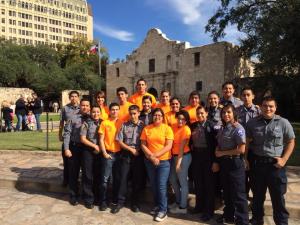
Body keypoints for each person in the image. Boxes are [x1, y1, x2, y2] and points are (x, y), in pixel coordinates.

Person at [246, 96, 295, 225]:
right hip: (258, 165)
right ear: (261, 107)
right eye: (265, 106)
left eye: (271, 106)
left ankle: (281, 222)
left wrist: (284, 159)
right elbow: (246, 142)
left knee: (278, 197)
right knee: (257, 197)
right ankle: (257, 220)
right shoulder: (252, 123)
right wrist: (245, 159)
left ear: (275, 108)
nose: (268, 108)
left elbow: (291, 141)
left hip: (275, 166)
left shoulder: (283, 122)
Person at [215, 104, 249, 225]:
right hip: (224, 163)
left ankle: (242, 220)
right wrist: (217, 150)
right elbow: (219, 143)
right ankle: (228, 216)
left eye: (228, 112)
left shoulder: (238, 128)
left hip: (235, 163)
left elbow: (241, 150)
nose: (226, 115)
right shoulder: (222, 128)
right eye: (224, 113)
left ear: (234, 114)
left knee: (238, 193)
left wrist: (222, 153)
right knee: (227, 192)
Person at [141, 108, 174, 222]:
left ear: (163, 117)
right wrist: (151, 157)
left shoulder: (167, 128)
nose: (157, 117)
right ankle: (158, 205)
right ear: (152, 116)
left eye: (159, 115)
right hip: (150, 161)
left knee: (161, 186)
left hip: (164, 162)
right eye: (155, 115)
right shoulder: (147, 128)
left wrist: (155, 156)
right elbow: (143, 144)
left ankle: (163, 210)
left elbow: (168, 146)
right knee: (154, 185)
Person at [190, 106, 218, 221]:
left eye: (202, 113)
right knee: (198, 183)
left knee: (208, 185)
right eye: (198, 113)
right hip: (197, 157)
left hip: (209, 157)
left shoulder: (212, 126)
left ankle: (208, 210)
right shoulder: (193, 126)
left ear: (206, 113)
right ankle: (199, 206)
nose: (200, 115)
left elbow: (217, 144)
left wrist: (215, 161)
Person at [115, 105, 145, 213]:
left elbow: (146, 141)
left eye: (134, 113)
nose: (132, 116)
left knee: (137, 180)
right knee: (123, 179)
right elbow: (119, 140)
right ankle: (120, 202)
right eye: (131, 113)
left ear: (138, 113)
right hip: (126, 155)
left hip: (139, 155)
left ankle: (135, 203)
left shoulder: (144, 126)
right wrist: (130, 149)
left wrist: (138, 150)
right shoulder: (124, 125)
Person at [63, 98, 91, 206]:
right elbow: (67, 133)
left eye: (87, 105)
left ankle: (87, 196)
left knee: (87, 174)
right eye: (83, 105)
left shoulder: (92, 117)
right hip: (74, 147)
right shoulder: (72, 117)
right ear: (80, 106)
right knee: (73, 173)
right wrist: (66, 148)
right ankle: (73, 195)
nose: (85, 107)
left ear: (90, 107)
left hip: (87, 149)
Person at [236, 87, 261, 200]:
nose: (246, 97)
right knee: (242, 174)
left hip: (254, 148)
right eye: (244, 95)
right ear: (241, 97)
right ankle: (243, 196)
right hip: (240, 147)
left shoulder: (259, 111)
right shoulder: (237, 110)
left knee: (254, 174)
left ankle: (255, 198)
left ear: (253, 96)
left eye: (248, 95)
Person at [98, 103, 123, 212]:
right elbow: (101, 139)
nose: (114, 111)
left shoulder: (122, 123)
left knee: (116, 179)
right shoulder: (104, 123)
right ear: (109, 111)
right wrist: (104, 152)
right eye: (112, 109)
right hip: (108, 153)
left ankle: (114, 200)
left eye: (116, 109)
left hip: (119, 154)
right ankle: (103, 201)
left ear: (119, 111)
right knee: (105, 179)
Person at [168, 110, 192, 214]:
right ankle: (178, 201)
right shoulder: (173, 127)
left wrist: (178, 163)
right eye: (179, 118)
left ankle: (183, 207)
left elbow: (182, 148)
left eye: (183, 119)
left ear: (186, 121)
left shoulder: (186, 129)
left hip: (183, 157)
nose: (181, 120)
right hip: (174, 156)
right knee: (172, 179)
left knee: (183, 182)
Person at [80, 105, 102, 209]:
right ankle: (88, 198)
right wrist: (94, 146)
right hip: (88, 150)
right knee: (88, 175)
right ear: (91, 112)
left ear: (100, 113)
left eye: (98, 112)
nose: (96, 114)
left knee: (98, 175)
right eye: (94, 112)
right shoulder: (86, 123)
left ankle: (97, 197)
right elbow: (83, 139)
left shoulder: (104, 123)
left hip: (100, 152)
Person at [59, 91, 80, 186]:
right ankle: (66, 179)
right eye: (72, 96)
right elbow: (61, 122)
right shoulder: (65, 108)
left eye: (75, 96)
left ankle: (76, 179)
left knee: (77, 162)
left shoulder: (82, 108)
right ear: (69, 97)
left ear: (78, 97)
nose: (74, 98)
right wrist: (60, 134)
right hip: (68, 137)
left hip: (78, 138)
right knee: (66, 160)